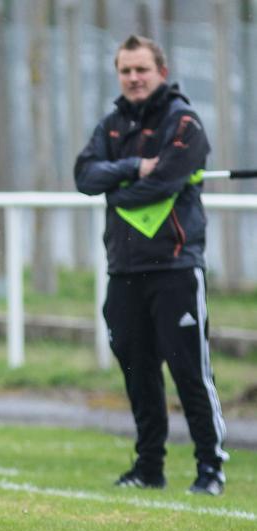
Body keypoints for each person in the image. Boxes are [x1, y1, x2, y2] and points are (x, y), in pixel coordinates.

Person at [74, 35, 227, 495]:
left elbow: (164, 184)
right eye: (126, 70)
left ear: (161, 70)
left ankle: (210, 469)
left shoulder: (185, 122)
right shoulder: (113, 123)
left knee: (189, 372)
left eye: (142, 69)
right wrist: (135, 165)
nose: (134, 78)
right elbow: (84, 176)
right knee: (138, 372)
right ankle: (149, 468)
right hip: (123, 271)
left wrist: (118, 184)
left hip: (176, 268)